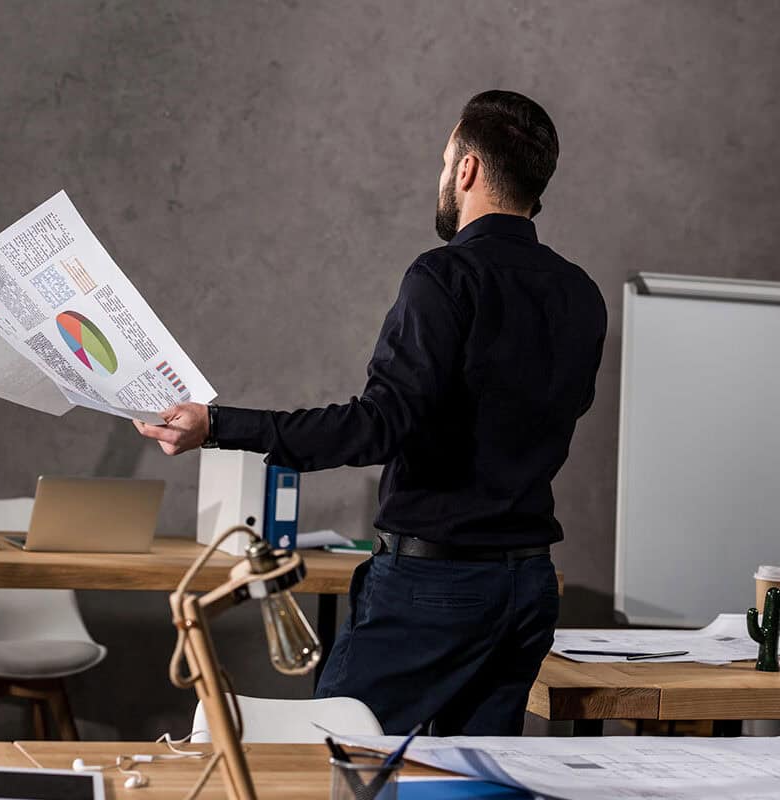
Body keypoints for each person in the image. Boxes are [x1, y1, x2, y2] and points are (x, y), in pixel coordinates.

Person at [134, 89, 607, 736]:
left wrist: (217, 425)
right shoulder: (580, 295)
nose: (443, 177)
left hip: (433, 585)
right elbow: (562, 410)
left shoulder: (443, 278)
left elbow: (379, 423)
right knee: (474, 783)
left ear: (466, 169)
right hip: (527, 588)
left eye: (446, 163)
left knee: (332, 764)